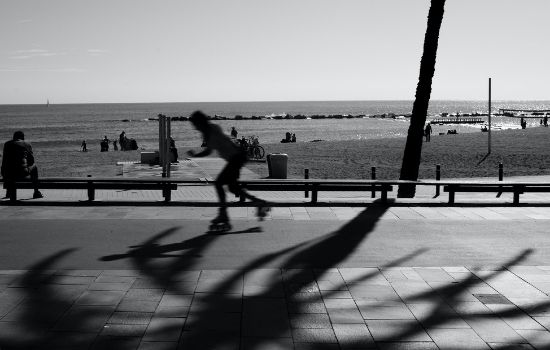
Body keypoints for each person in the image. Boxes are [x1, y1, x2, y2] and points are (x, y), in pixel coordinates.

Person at [187, 111, 270, 231]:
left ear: (200, 122)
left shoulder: (211, 130)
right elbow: (210, 150)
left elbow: (215, 146)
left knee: (219, 183)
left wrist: (196, 155)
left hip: (236, 157)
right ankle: (259, 203)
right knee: (232, 188)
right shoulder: (207, 132)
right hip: (235, 158)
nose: (194, 127)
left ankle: (224, 215)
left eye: (195, 124)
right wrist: (196, 155)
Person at [1, 131, 43, 199]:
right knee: (34, 166)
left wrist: (3, 173)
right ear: (23, 137)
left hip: (8, 174)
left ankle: (8, 192)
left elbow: (4, 161)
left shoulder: (7, 144)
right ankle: (36, 192)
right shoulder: (27, 144)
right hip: (22, 172)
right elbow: (31, 161)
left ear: (13, 137)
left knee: (8, 165)